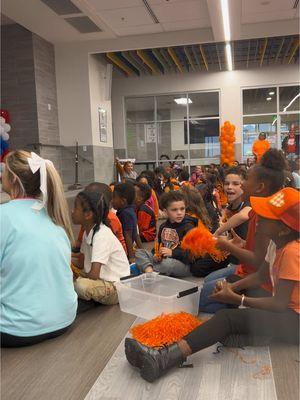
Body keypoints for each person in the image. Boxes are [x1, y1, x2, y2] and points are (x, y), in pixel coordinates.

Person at [124, 188, 299, 383]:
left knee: (225, 319)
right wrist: (231, 288)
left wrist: (238, 298)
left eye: (266, 218)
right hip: (284, 312)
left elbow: (280, 304)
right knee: (224, 322)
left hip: (293, 320)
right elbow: (261, 275)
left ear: (284, 229)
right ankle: (253, 334)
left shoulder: (292, 252)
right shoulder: (277, 243)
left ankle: (162, 358)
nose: (258, 219)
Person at [0, 151, 77, 347]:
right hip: (64, 320)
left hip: (17, 329)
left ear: (13, 179)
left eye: (3, 171)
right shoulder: (53, 214)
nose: (1, 175)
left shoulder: (4, 215)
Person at [200, 149, 287, 313]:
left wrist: (229, 247)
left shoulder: (266, 218)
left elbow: (260, 262)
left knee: (203, 298)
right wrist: (242, 244)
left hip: (257, 280)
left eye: (245, 180)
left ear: (260, 187)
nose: (242, 184)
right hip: (247, 272)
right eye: (227, 183)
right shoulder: (256, 209)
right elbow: (266, 252)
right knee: (207, 282)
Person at [72, 190, 129, 305]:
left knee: (80, 286)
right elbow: (82, 263)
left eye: (75, 208)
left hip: (115, 288)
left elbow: (93, 274)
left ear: (88, 214)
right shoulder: (87, 232)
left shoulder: (101, 235)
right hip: (99, 280)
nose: (72, 211)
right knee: (67, 273)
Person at [135, 191, 197, 277]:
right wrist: (156, 254)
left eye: (182, 209)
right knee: (139, 252)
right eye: (174, 210)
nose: (179, 212)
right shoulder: (163, 226)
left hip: (182, 264)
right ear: (165, 211)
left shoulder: (189, 227)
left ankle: (147, 268)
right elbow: (159, 247)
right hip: (163, 260)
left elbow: (191, 255)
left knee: (166, 264)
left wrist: (172, 253)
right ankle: (150, 272)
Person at [73, 182, 127, 255]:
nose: (72, 211)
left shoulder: (109, 223)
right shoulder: (88, 221)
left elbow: (101, 257)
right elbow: (79, 243)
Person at [112, 182, 142, 263]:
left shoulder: (125, 214)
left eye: (114, 197)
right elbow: (135, 234)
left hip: (123, 249)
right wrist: (142, 251)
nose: (111, 200)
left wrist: (131, 257)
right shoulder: (130, 210)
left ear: (123, 201)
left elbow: (128, 235)